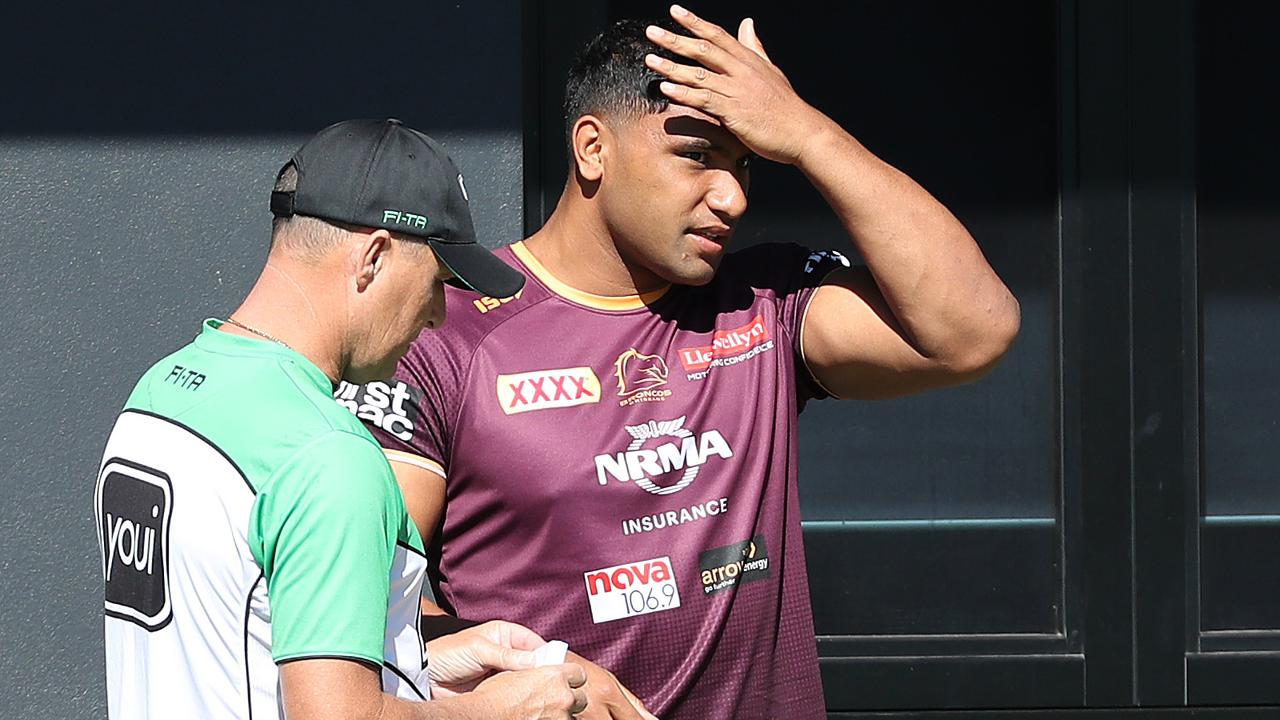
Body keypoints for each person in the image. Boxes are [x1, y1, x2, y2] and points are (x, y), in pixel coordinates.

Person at [350, 6, 1021, 719]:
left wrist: (808, 134)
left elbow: (972, 331)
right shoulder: (446, 336)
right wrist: (536, 680)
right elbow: (370, 607)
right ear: (592, 149)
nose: (731, 196)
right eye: (699, 156)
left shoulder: (766, 302)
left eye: (745, 166)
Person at [94, 118, 591, 720]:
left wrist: (416, 662)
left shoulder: (158, 396)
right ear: (374, 258)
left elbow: (239, 645)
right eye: (437, 282)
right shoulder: (328, 454)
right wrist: (497, 714)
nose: (437, 316)